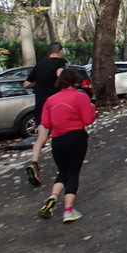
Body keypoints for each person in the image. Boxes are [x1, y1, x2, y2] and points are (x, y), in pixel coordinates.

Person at [37, 69, 96, 223]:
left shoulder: (50, 100)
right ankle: (68, 211)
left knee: (62, 171)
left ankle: (53, 196)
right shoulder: (81, 96)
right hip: (77, 137)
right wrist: (92, 108)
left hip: (58, 140)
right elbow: (88, 120)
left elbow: (46, 123)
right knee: (73, 172)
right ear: (75, 81)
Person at [24, 42, 68, 186]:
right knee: (58, 134)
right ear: (60, 51)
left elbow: (26, 84)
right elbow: (59, 74)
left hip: (40, 105)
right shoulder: (61, 62)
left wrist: (40, 83)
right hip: (55, 104)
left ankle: (34, 163)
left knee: (41, 138)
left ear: (48, 52)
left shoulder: (39, 65)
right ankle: (62, 166)